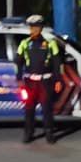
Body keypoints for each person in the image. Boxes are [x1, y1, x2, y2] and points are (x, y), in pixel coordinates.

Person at [14, 15, 62, 144]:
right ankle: (28, 133)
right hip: (30, 82)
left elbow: (57, 63)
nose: (33, 30)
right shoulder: (24, 43)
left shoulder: (51, 43)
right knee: (29, 108)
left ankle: (49, 133)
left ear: (41, 28)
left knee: (47, 109)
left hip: (45, 82)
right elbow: (18, 62)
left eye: (36, 27)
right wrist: (18, 79)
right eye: (31, 27)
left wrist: (57, 80)